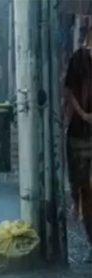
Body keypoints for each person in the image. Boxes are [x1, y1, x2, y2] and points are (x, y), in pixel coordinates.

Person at [64, 22, 92, 263]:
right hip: (81, 132)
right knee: (83, 186)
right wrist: (83, 114)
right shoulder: (79, 59)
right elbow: (69, 91)